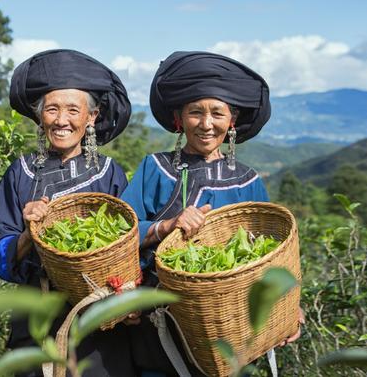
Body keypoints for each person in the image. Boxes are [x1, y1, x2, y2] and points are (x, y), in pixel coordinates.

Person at [121, 51, 303, 376]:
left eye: (217, 113)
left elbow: (273, 256)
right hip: (160, 323)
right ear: (179, 117)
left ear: (231, 120)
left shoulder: (248, 181)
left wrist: (290, 306)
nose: (206, 124)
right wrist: (166, 227)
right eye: (195, 112)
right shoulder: (155, 169)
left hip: (232, 327)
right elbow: (121, 236)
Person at [0, 49, 135, 376]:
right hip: (36, 320)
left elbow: (128, 248)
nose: (62, 120)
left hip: (99, 324)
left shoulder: (110, 174)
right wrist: (29, 234)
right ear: (40, 116)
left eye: (73, 109)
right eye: (52, 109)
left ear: (92, 117)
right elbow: (0, 258)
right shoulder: (20, 174)